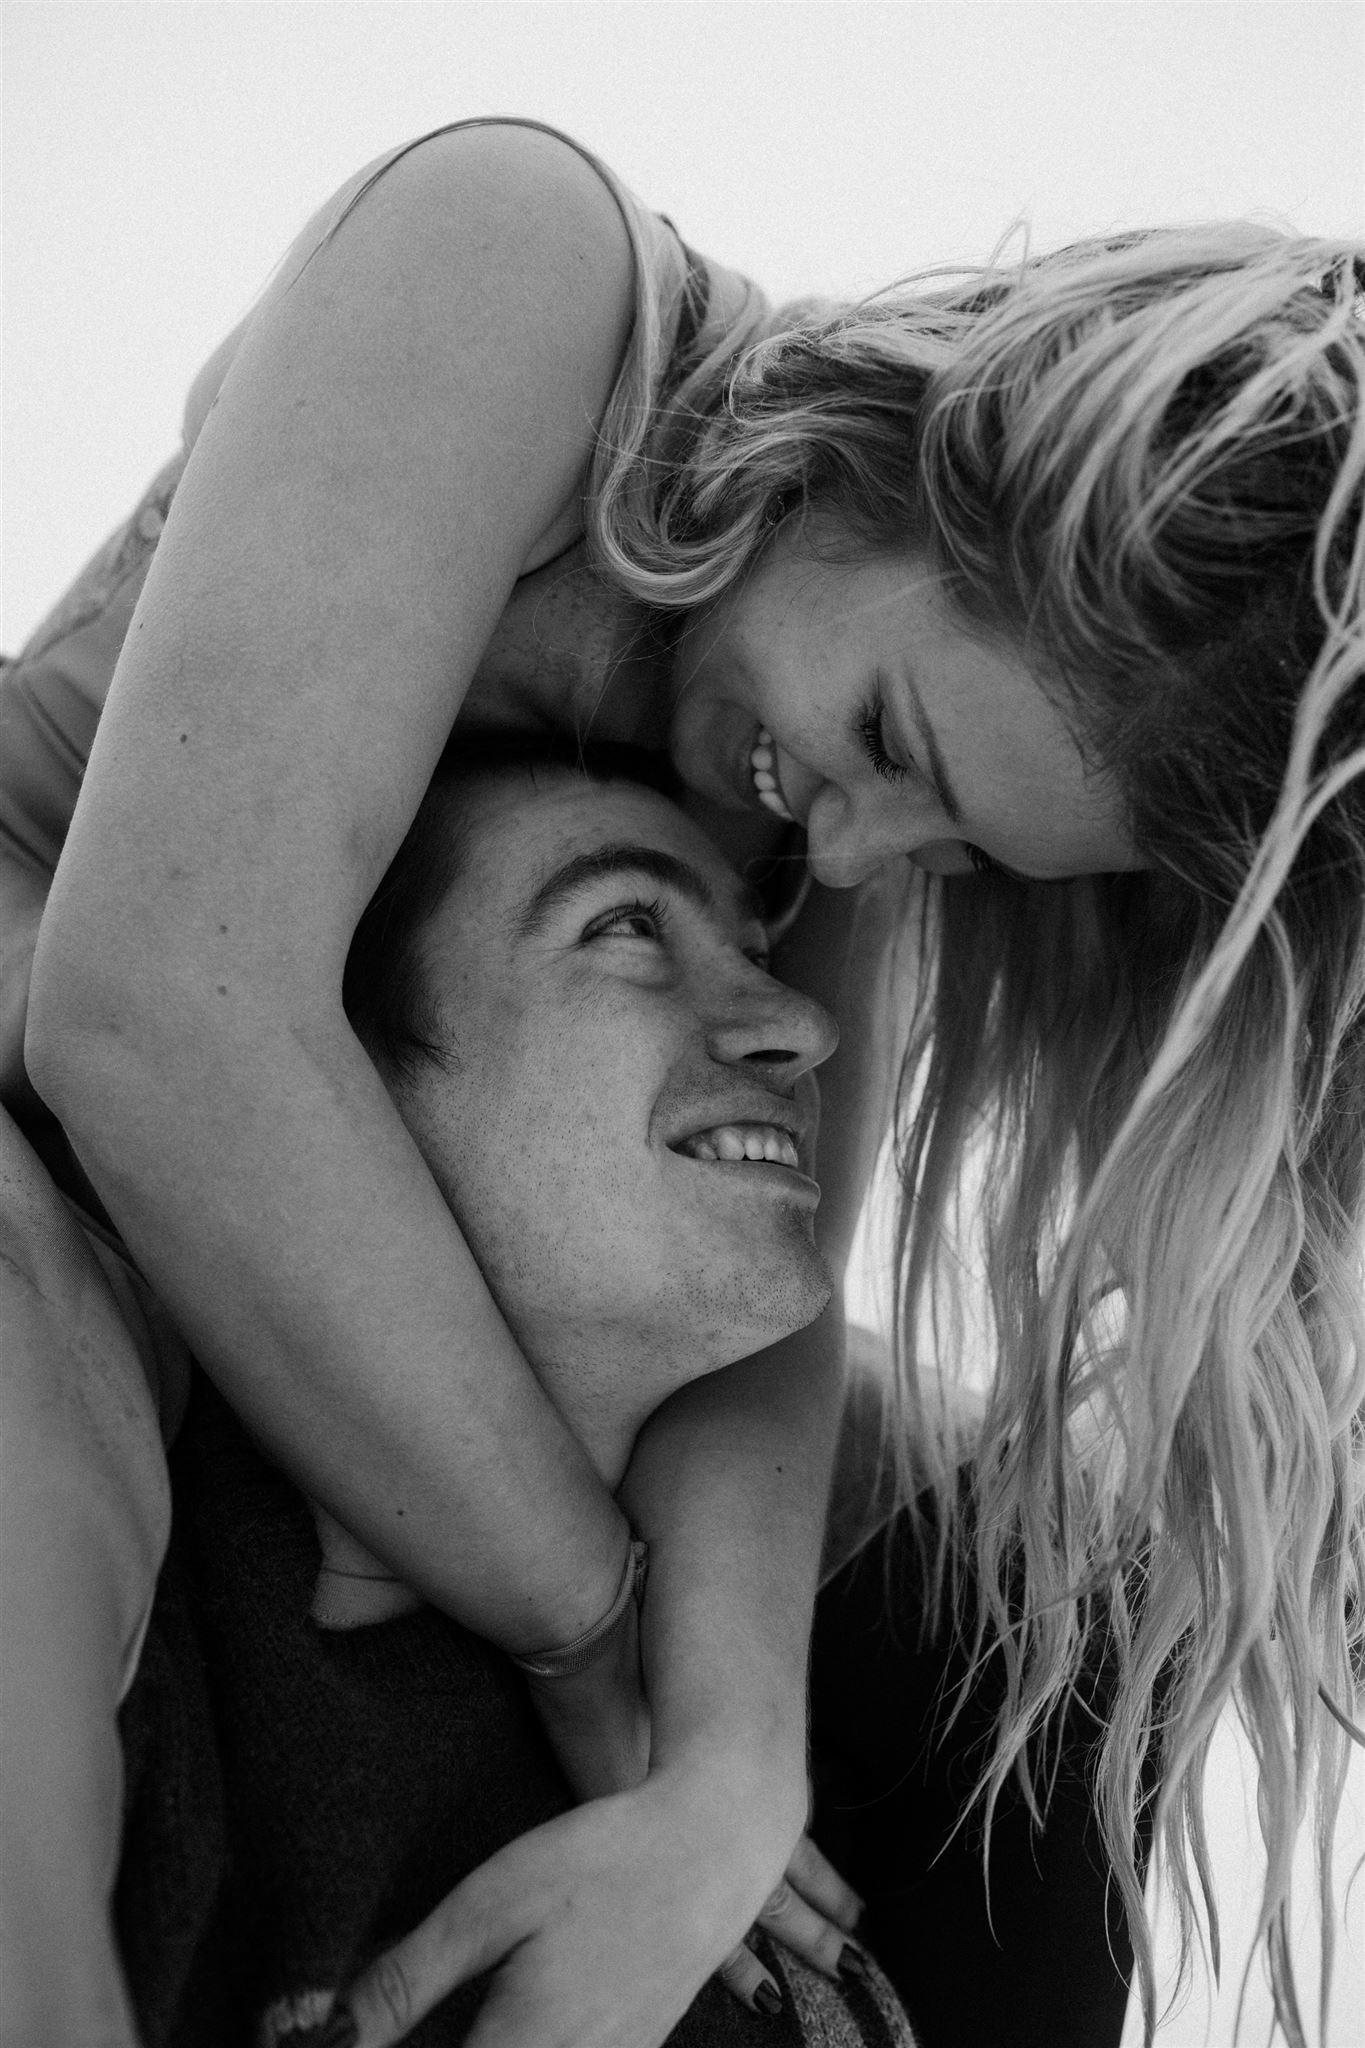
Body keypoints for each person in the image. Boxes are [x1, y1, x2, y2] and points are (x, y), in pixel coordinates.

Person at [2, 113, 1361, 2043]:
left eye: (957, 849)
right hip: (64, 1051)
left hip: (371, 1122)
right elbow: (156, 1014)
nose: (862, 850)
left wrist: (724, 1776)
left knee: (986, 1527)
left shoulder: (831, 798)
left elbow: (773, 1298)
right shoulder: (521, 271)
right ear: (893, 462)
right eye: (889, 739)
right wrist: (584, 1629)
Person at [105, 736, 920, 2048]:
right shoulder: (102, 1609)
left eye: (760, 952)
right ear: (336, 1080)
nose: (803, 1026)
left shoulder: (727, 1893)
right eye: (626, 927)